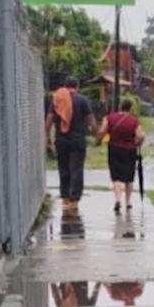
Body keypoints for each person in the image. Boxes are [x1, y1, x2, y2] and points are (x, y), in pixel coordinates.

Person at [45, 76, 96, 208]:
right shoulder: (83, 100)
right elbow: (91, 119)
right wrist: (96, 134)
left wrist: (47, 135)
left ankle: (65, 196)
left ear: (65, 86)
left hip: (61, 140)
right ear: (77, 86)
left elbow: (50, 118)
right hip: (78, 140)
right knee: (76, 168)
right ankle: (74, 199)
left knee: (63, 168)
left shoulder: (57, 99)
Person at [99, 98, 145, 214]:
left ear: (120, 106)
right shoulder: (134, 121)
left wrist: (98, 139)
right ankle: (128, 202)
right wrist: (136, 142)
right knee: (129, 177)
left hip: (114, 149)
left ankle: (118, 199)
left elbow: (102, 130)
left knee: (116, 176)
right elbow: (141, 135)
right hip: (130, 151)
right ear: (130, 108)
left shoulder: (110, 118)